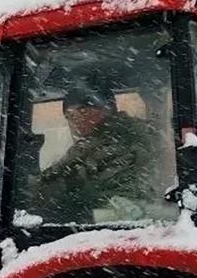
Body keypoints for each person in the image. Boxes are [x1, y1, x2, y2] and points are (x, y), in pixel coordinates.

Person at [26, 79, 160, 223]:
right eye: (69, 116)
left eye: (83, 111)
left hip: (115, 227)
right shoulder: (91, 146)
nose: (76, 120)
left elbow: (82, 187)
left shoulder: (120, 143)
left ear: (107, 109)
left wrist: (36, 192)